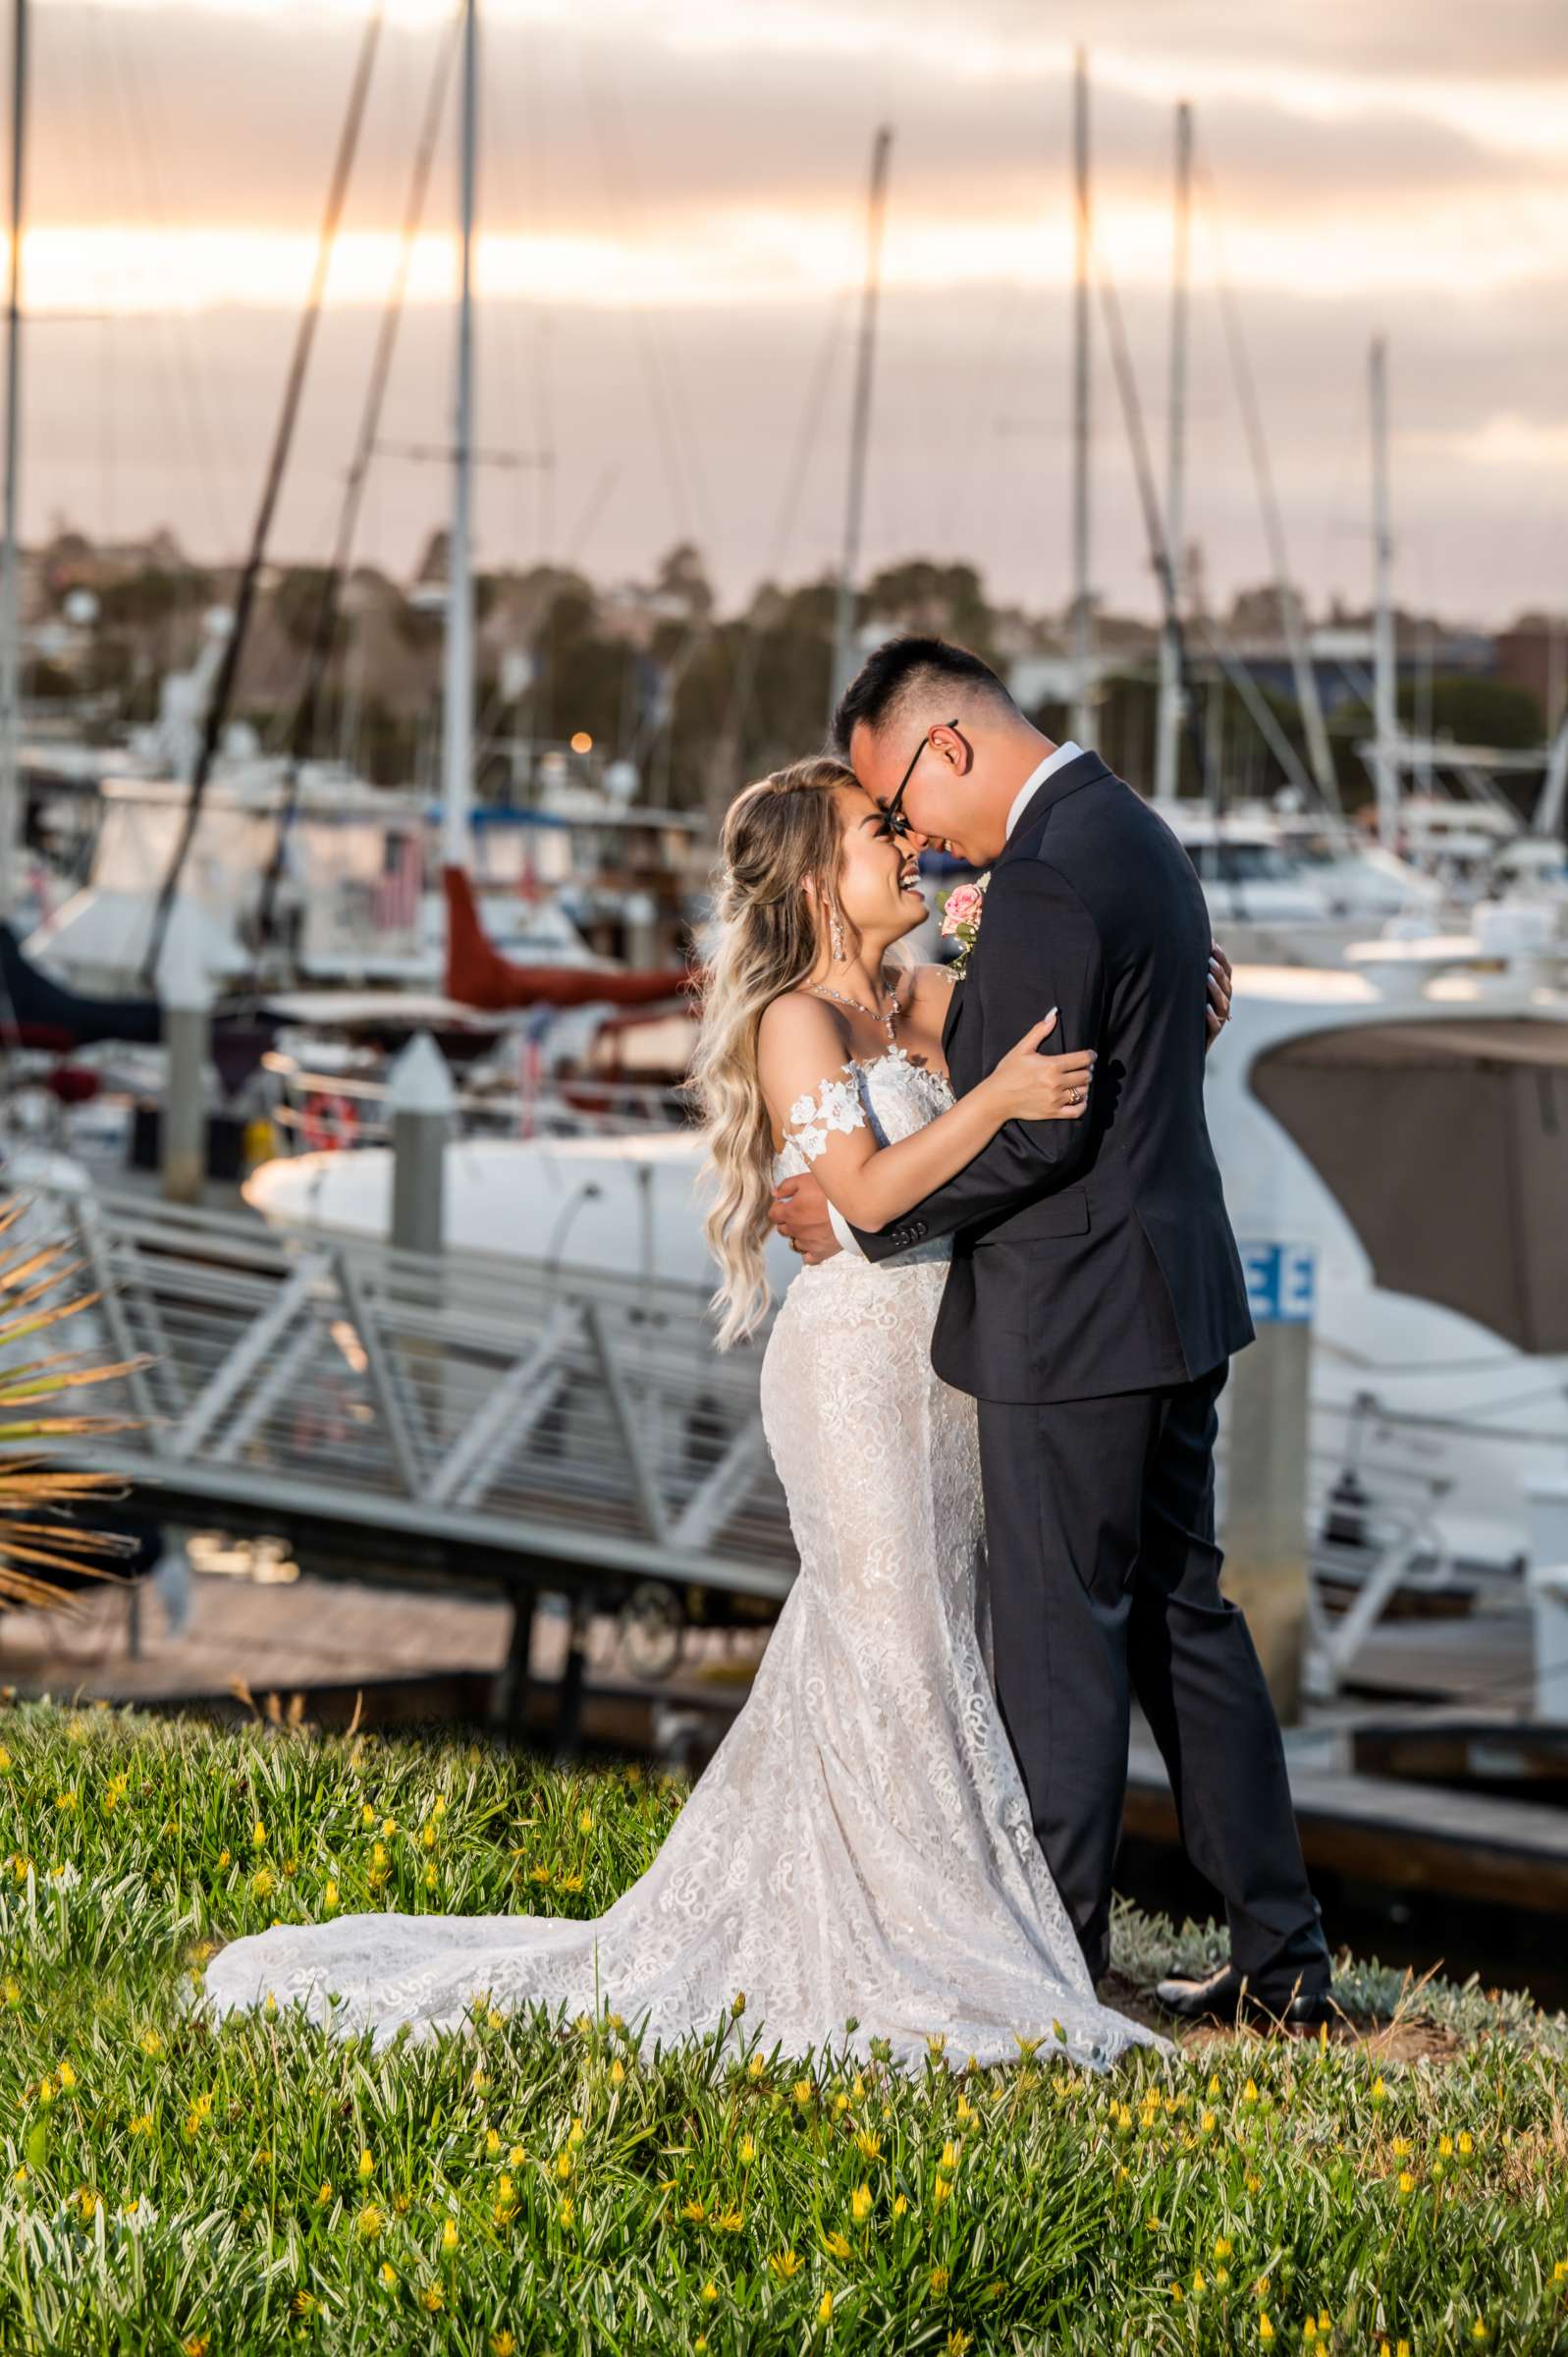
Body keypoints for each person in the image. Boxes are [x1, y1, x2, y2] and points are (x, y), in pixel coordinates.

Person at [206, 750, 1218, 2069]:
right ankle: (916, 1938)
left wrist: (1174, 1005)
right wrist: (990, 1103)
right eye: (878, 833)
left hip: (946, 1373)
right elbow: (860, 1192)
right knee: (890, 1643)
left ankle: (925, 1914)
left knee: (934, 1643)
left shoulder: (910, 999)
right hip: (852, 1373)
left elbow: (1058, 1039)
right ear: (815, 877)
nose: (908, 848)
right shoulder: (794, 1018)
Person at [771, 636, 1332, 2029]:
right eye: (885, 832)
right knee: (1176, 1628)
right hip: (1157, 1293)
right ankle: (1280, 1961)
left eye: (899, 804)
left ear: (942, 748)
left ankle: (1049, 1966)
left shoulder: (1043, 874)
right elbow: (1084, 1057)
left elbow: (1033, 1133)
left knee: (1058, 1642)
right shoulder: (1127, 830)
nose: (911, 838)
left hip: (1072, 1317)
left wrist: (865, 1224)